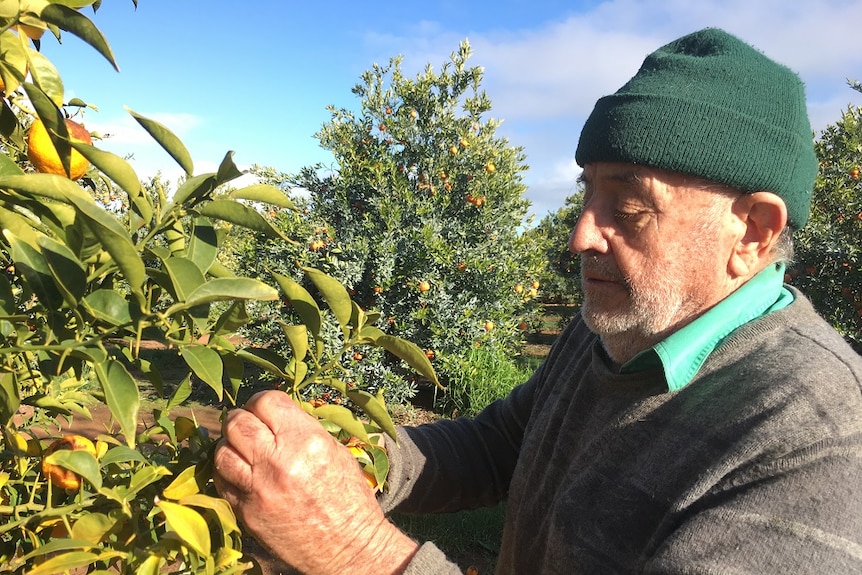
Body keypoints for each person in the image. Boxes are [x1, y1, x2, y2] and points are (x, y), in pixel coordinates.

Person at [213, 27, 862, 574]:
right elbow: (505, 443)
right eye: (587, 194)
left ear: (751, 231)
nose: (582, 234)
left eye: (629, 207)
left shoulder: (816, 446)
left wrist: (355, 546)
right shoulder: (617, 322)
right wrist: (353, 460)